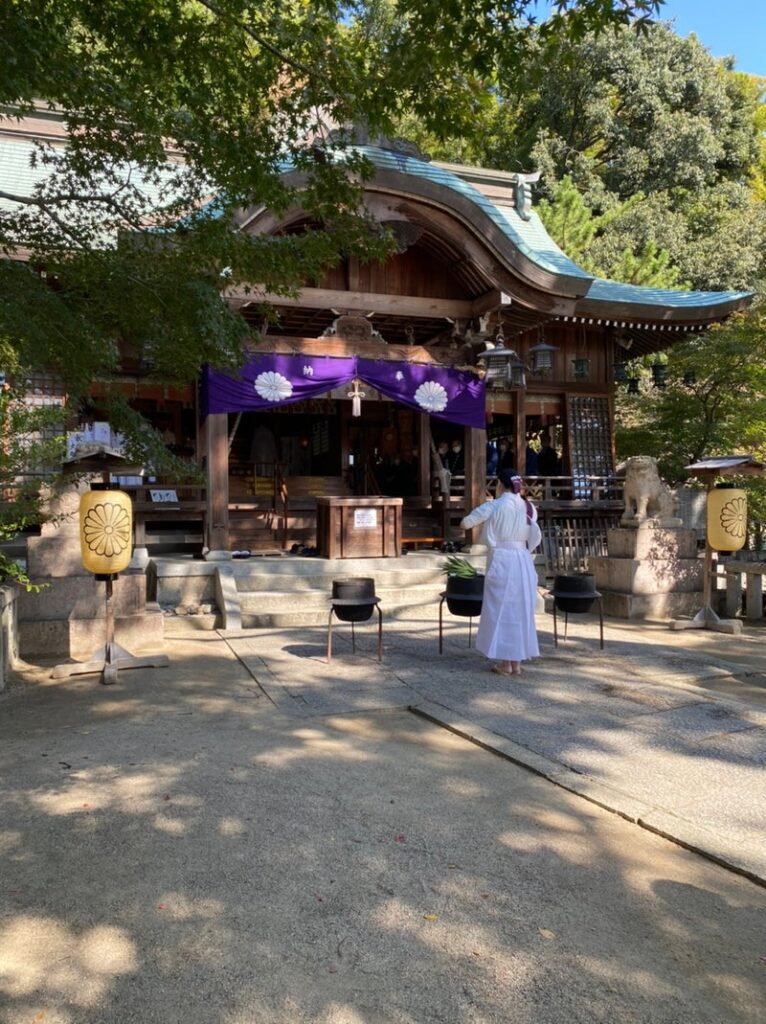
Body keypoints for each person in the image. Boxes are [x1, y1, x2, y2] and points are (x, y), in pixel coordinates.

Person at [460, 468, 541, 675]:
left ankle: (507, 663)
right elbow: (533, 533)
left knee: (503, 609)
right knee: (521, 608)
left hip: (503, 558)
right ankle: (516, 661)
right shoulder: (529, 507)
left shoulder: (495, 506)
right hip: (522, 558)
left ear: (499, 485)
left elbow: (466, 522)